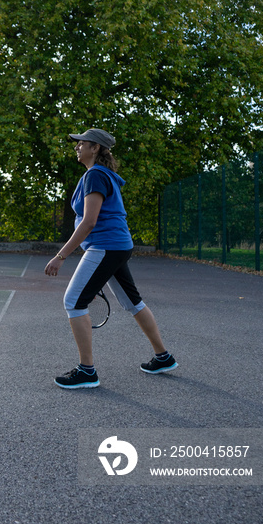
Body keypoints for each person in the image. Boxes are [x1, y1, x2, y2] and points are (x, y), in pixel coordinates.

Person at [45, 128, 177, 389]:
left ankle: (87, 372)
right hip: (117, 245)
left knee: (73, 302)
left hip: (105, 246)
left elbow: (89, 222)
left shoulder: (95, 175)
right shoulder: (101, 174)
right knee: (133, 302)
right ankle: (163, 357)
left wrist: (61, 256)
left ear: (95, 148)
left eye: (81, 143)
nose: (77, 147)